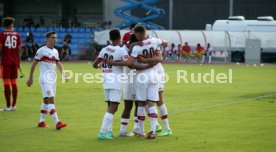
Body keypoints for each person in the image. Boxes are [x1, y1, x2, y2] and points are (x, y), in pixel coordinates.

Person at [108, 24, 166, 139]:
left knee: (137, 105)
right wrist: (149, 63)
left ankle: (137, 130)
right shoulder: (153, 42)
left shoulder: (130, 49)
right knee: (149, 103)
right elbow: (161, 53)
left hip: (136, 79)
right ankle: (150, 130)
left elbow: (129, 63)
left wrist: (113, 63)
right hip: (151, 76)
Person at [26, 32, 68, 130]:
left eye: (56, 38)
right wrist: (30, 77)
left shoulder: (55, 51)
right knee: (51, 101)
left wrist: (64, 74)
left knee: (45, 101)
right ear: (47, 39)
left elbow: (58, 63)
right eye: (53, 38)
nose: (55, 39)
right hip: (45, 79)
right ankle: (57, 122)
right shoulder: (41, 51)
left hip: (52, 79)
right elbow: (33, 64)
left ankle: (41, 122)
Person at [93, 29, 129, 140]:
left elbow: (95, 64)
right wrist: (116, 63)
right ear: (120, 38)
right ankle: (102, 132)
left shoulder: (104, 49)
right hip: (116, 81)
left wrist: (101, 66)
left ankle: (110, 131)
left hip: (105, 80)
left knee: (109, 106)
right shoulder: (121, 51)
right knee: (113, 107)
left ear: (110, 38)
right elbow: (128, 63)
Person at [0, 17, 22, 111]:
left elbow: (0, 48)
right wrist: (19, 61)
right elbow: (19, 49)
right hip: (14, 61)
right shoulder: (17, 35)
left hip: (5, 61)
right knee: (14, 82)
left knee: (6, 82)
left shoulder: (1, 34)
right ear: (10, 25)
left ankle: (8, 106)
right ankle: (13, 105)